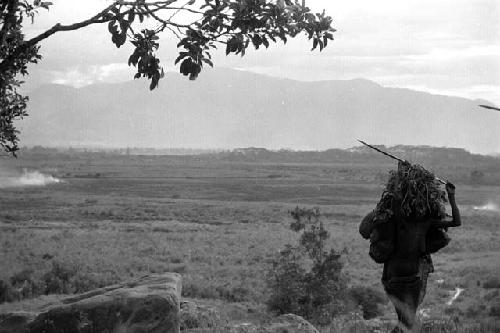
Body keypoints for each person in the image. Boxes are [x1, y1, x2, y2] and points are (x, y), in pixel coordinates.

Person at [360, 182, 461, 332]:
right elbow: (456, 222)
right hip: (404, 280)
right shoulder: (416, 221)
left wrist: (451, 196)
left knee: (405, 322)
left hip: (398, 279)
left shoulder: (417, 221)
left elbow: (456, 222)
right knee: (407, 322)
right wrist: (451, 197)